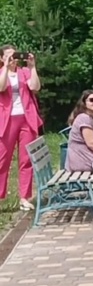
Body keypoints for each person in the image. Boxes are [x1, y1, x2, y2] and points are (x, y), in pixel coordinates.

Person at [0, 46, 42, 211]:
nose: (13, 59)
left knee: (26, 160)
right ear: (2, 58)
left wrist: (32, 67)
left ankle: (24, 197)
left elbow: (35, 87)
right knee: (3, 159)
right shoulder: (2, 72)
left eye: (15, 55)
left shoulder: (24, 72)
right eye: (9, 56)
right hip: (7, 120)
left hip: (26, 118)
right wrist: (5, 67)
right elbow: (1, 87)